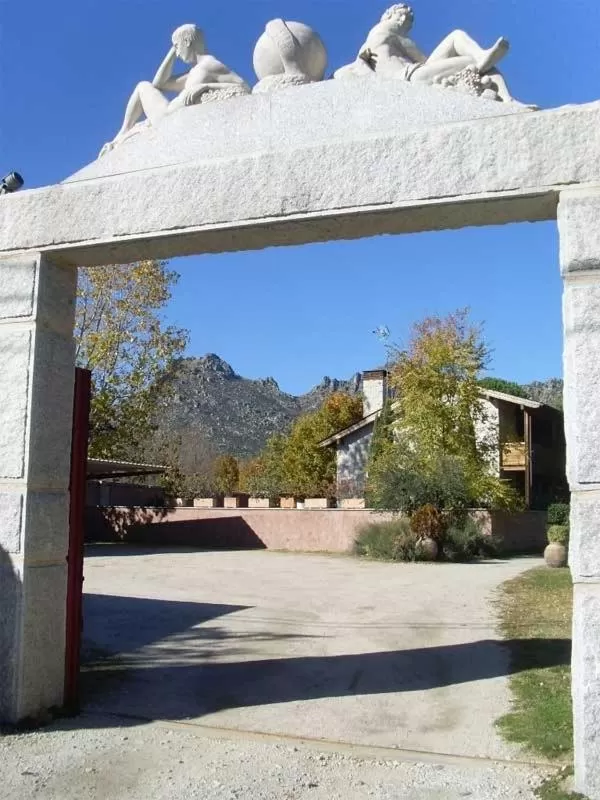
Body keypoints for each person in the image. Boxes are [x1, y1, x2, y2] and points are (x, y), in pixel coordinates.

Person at [100, 24, 250, 156]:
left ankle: (123, 132)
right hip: (167, 114)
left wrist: (207, 87)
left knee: (142, 87)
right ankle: (122, 134)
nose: (177, 53)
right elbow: (159, 83)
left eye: (177, 47)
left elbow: (243, 87)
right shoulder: (195, 71)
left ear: (187, 42)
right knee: (144, 86)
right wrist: (172, 50)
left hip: (168, 118)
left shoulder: (210, 64)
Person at [334, 4, 519, 104]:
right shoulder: (377, 37)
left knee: (457, 36)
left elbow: (426, 61)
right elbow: (344, 74)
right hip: (408, 78)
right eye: (400, 16)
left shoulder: (400, 40)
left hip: (419, 70)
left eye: (408, 20)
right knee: (471, 61)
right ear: (388, 16)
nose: (404, 19)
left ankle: (507, 97)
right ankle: (479, 61)